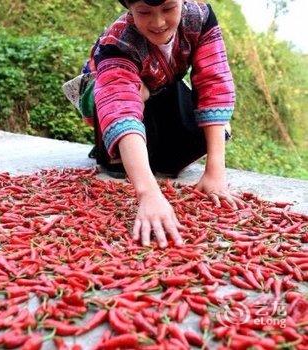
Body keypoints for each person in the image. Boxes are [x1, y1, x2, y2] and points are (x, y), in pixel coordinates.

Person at [63, 0, 244, 249]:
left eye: (168, 9)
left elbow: (213, 82)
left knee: (203, 137)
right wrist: (148, 193)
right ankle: (112, 150)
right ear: (129, 7)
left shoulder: (200, 18)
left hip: (163, 87)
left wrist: (215, 171)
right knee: (134, 101)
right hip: (108, 96)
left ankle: (147, 138)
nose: (158, 22)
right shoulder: (118, 43)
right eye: (144, 12)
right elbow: (120, 108)